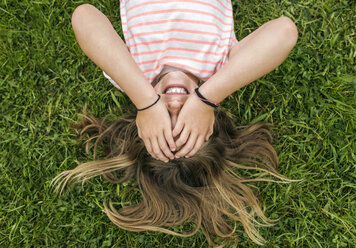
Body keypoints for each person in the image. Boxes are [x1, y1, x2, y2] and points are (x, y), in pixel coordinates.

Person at [52, 1, 298, 246]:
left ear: (144, 126)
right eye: (185, 120)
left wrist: (146, 101)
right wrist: (205, 99)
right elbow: (285, 31)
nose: (174, 106)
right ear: (209, 124)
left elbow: (84, 16)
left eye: (163, 119)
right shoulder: (219, 69)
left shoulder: (134, 75)